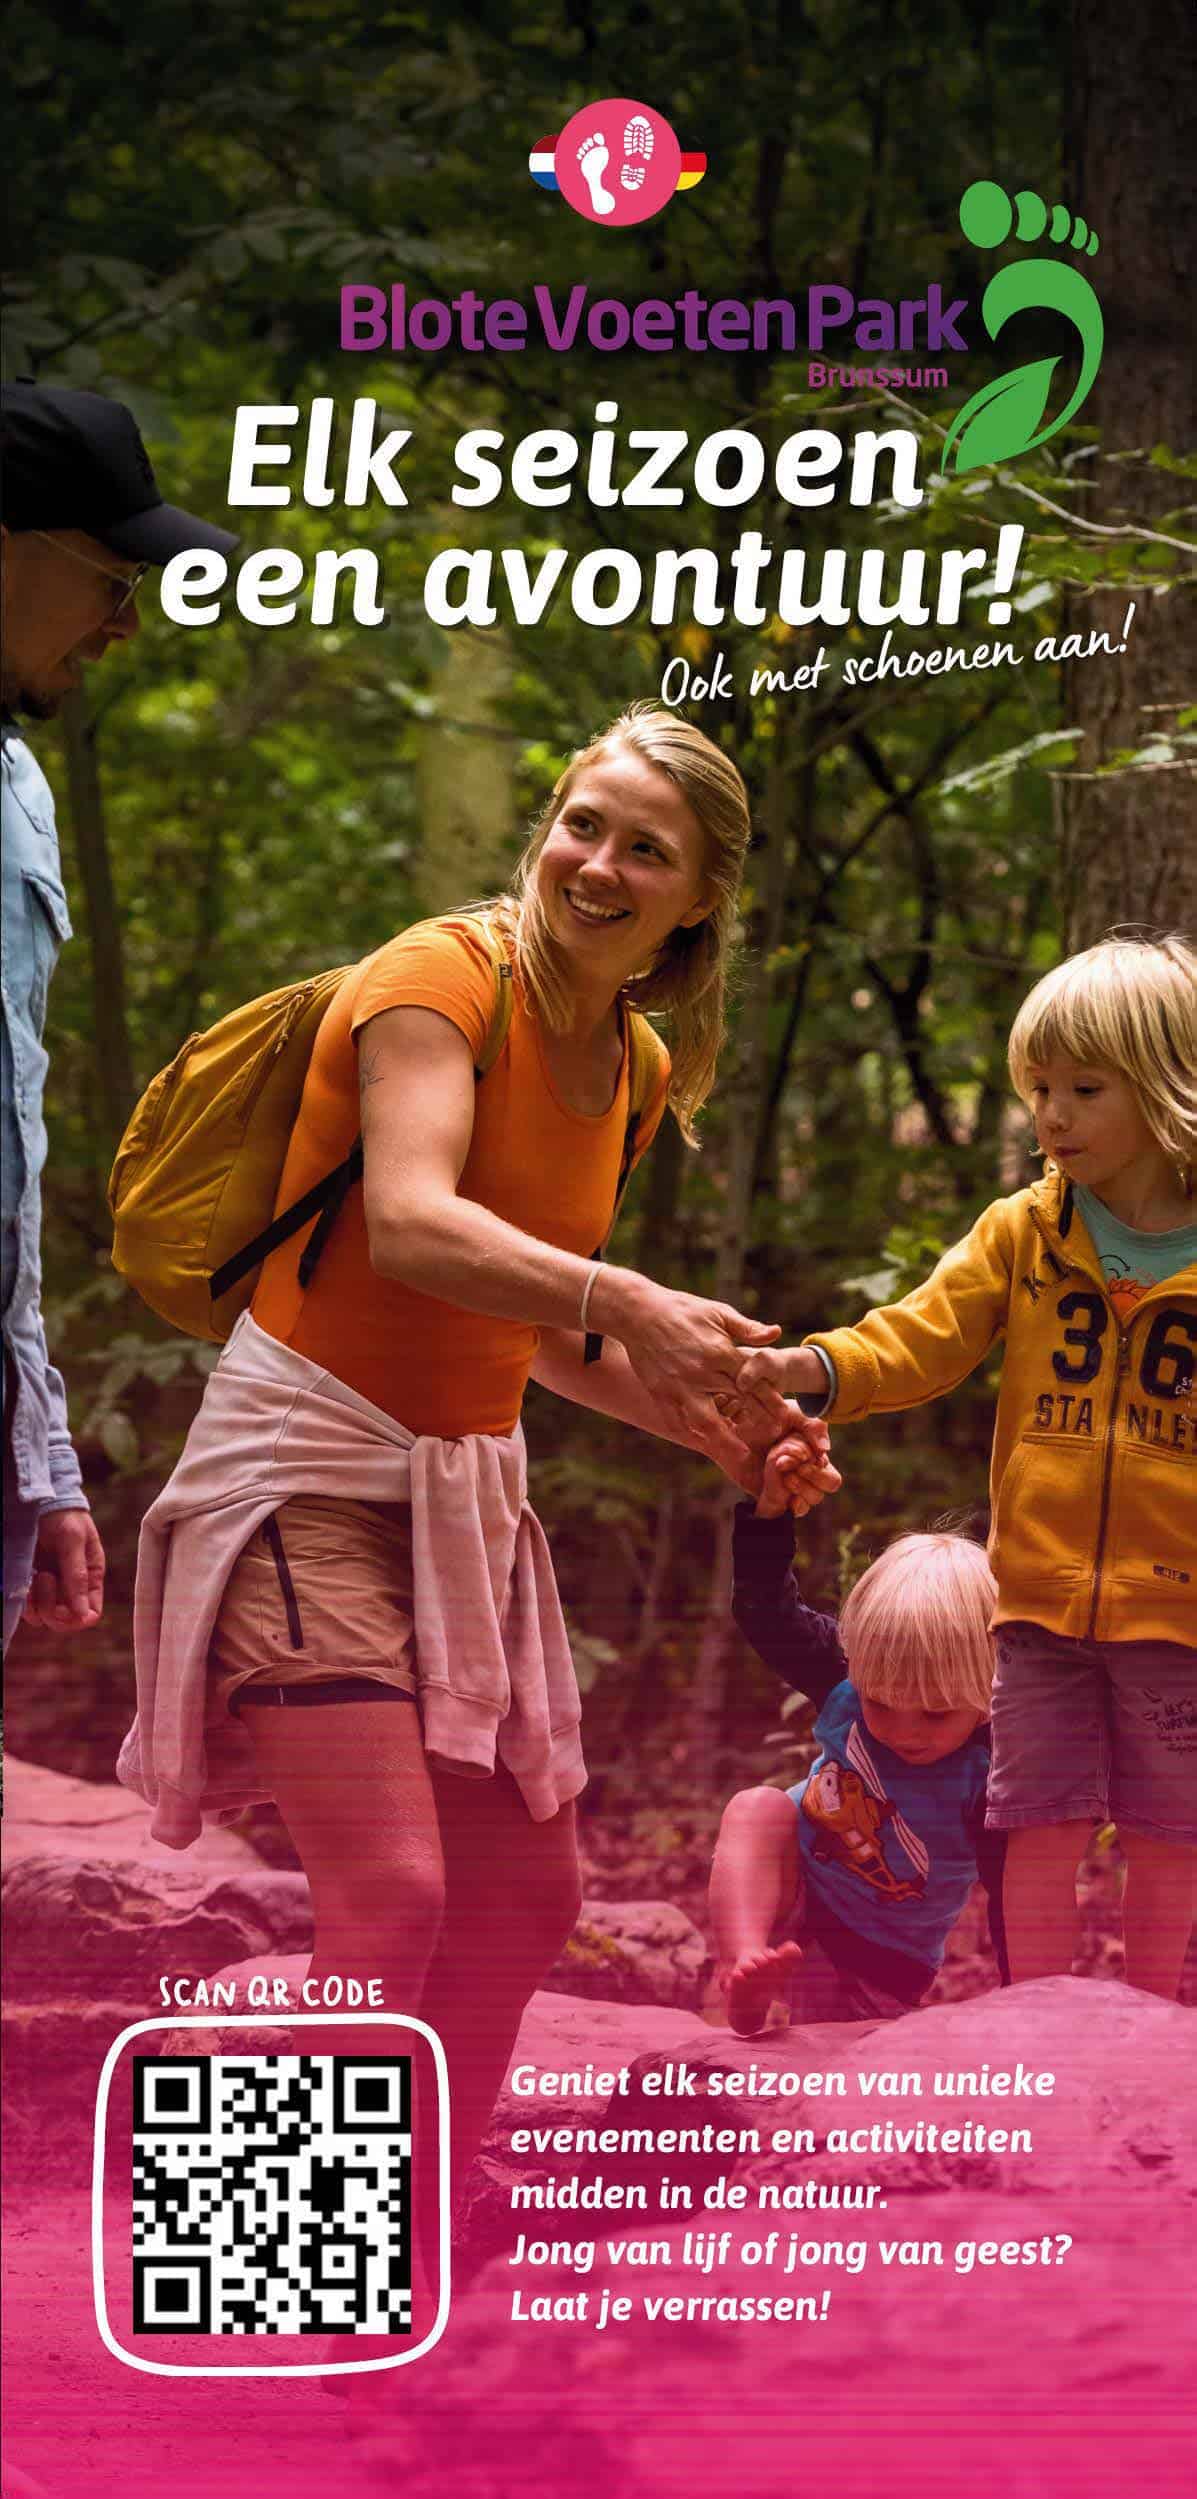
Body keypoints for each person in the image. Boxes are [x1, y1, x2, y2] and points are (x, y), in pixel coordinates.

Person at [118, 705, 839, 2309]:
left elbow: (548, 1330)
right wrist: (628, 1294)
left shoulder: (633, 1064)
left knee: (525, 1895)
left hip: (460, 1490)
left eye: (645, 848)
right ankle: (279, 2279)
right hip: (302, 1467)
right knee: (392, 1894)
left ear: (698, 899)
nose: (598, 862)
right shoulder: (437, 980)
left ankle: (423, 2221)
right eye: (583, 821)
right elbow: (414, 1218)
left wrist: (721, 1425)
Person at [731, 933, 1197, 2001]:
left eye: (1085, 1089)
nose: (1052, 1116)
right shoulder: (1025, 1232)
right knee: (1038, 1821)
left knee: (1170, 1832)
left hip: (1181, 1610)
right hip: (1033, 1603)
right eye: (1038, 1089)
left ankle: (1153, 2024)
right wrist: (812, 1368)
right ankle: (1036, 2017)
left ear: (1169, 1086)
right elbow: (921, 1336)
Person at [0, 379, 236, 1652]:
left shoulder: (19, 792)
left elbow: (9, 1169)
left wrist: (39, 1461)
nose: (125, 623)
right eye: (112, 577)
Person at [711, 1442, 1006, 2032]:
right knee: (756, 1807)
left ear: (987, 1694)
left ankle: (764, 1999)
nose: (903, 1730)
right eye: (880, 1704)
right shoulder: (843, 1671)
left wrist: (1025, 2001)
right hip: (793, 1894)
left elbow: (1011, 1892)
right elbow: (766, 1611)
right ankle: (742, 1963)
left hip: (878, 1957)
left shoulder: (994, 1768)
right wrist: (770, 1512)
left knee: (827, 2051)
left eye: (935, 1714)